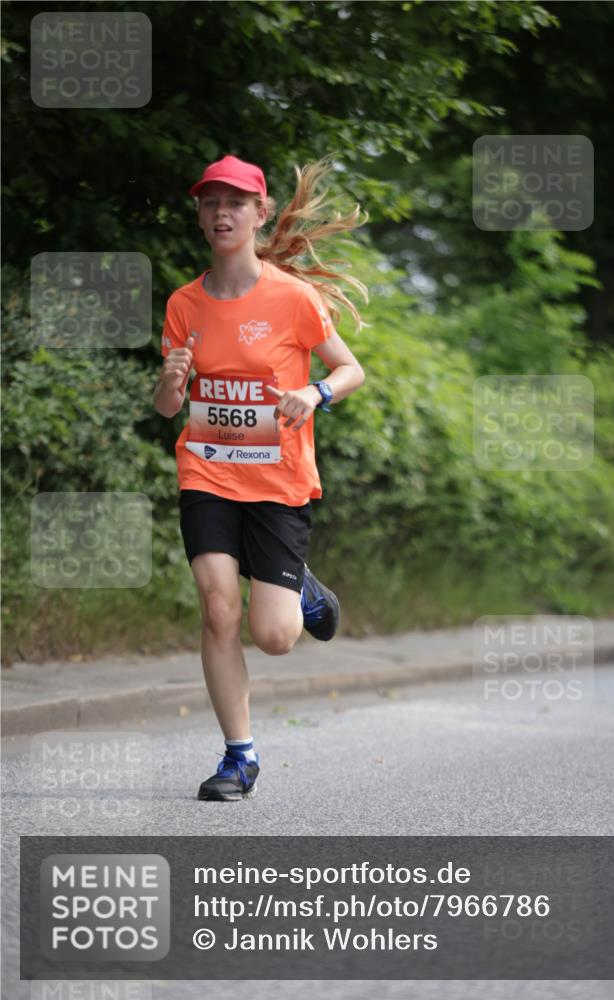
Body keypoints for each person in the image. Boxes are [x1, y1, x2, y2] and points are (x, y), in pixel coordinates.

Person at [153, 154, 367, 802]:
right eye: (210, 203)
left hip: (277, 482)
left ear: (259, 213)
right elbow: (168, 407)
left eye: (236, 203)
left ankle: (301, 589)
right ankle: (239, 757)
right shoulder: (184, 304)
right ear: (200, 215)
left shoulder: (292, 298)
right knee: (218, 608)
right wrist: (169, 383)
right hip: (207, 471)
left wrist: (315, 392)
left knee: (274, 637)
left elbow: (351, 369)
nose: (222, 213)